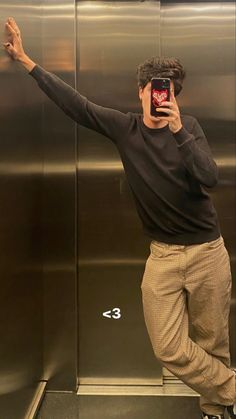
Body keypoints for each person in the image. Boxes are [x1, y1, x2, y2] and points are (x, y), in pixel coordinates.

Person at [3, 16, 236, 419]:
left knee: (212, 340)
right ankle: (232, 388)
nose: (161, 97)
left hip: (207, 252)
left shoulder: (190, 127)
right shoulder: (124, 128)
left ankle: (216, 408)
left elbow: (209, 177)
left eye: (169, 91)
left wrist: (180, 130)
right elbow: (77, 106)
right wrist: (25, 60)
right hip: (162, 256)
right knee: (168, 346)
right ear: (141, 91)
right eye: (155, 89)